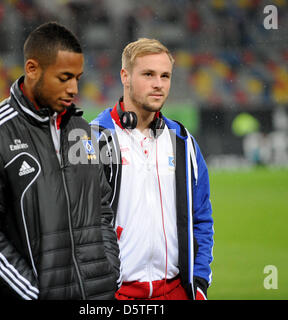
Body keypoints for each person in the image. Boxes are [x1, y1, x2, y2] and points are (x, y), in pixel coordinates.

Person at [0, 22, 120, 300]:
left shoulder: (82, 131)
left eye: (77, 78)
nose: (74, 88)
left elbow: (101, 208)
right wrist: (33, 293)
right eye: (64, 78)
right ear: (32, 69)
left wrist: (107, 271)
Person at [91, 38, 214, 300]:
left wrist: (199, 282)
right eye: (148, 74)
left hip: (175, 292)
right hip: (114, 295)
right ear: (125, 76)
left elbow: (201, 217)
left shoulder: (183, 142)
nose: (158, 84)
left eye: (165, 75)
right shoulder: (92, 139)